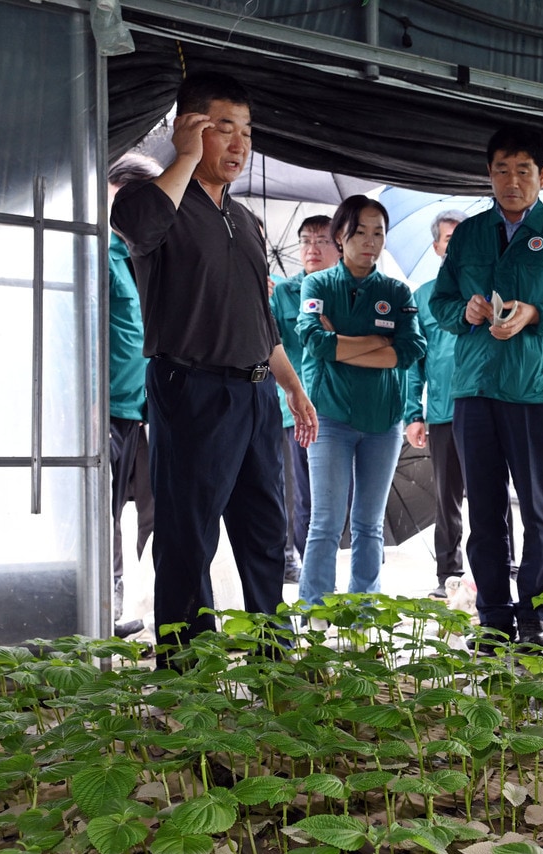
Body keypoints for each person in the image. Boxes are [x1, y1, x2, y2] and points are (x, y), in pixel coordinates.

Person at [111, 71, 318, 664]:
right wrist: (181, 156)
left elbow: (262, 321)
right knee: (189, 534)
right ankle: (185, 664)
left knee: (264, 530)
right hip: (191, 388)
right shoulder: (155, 202)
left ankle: (274, 657)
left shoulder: (246, 221)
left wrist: (294, 390)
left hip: (255, 395)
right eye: (222, 129)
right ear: (191, 128)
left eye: (246, 132)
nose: (238, 144)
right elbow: (139, 226)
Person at [432, 124, 543, 648]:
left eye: (524, 171)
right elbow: (441, 303)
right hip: (474, 388)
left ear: (542, 176)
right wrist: (466, 310)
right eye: (502, 170)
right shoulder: (471, 233)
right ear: (489, 174)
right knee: (485, 509)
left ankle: (535, 617)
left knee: (540, 511)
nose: (512, 180)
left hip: (537, 393)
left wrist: (536, 313)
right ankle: (494, 617)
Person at [297, 196, 425, 605]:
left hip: (382, 421)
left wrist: (343, 344)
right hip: (329, 418)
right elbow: (314, 342)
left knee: (369, 524)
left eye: (378, 233)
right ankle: (314, 612)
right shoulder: (317, 284)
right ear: (340, 236)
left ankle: (364, 611)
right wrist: (376, 342)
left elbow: (409, 350)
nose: (370, 242)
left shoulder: (395, 290)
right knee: (325, 523)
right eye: (360, 232)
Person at [106, 152, 161, 631]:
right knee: (100, 515)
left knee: (157, 511)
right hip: (104, 408)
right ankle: (104, 610)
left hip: (150, 407)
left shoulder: (151, 256)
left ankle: (151, 605)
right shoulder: (99, 253)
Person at [404, 210, 467, 600]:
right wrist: (414, 412)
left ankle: (500, 571)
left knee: (494, 495)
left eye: (461, 236)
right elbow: (415, 360)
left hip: (487, 406)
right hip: (443, 412)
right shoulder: (422, 296)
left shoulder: (487, 290)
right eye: (448, 237)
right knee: (447, 499)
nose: (455, 243)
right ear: (437, 246)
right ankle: (449, 574)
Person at [271, 215, 337, 582]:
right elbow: (272, 342)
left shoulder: (345, 288)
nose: (312, 248)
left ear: (338, 245)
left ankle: (322, 563)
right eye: (306, 241)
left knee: (333, 497)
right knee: (298, 495)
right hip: (294, 409)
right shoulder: (282, 292)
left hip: (337, 406)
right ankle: (303, 563)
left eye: (321, 240)